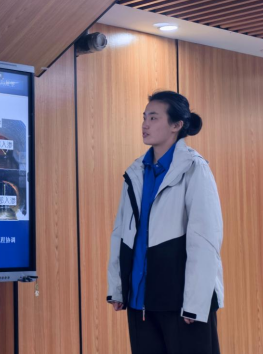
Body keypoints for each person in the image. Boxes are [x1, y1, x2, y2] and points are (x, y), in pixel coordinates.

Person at [107, 91, 224, 354]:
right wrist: (118, 288)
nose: (145, 124)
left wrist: (195, 303)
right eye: (144, 117)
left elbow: (205, 239)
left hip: (182, 303)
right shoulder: (136, 172)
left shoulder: (194, 168)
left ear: (176, 125)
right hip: (140, 301)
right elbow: (120, 232)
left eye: (154, 118)